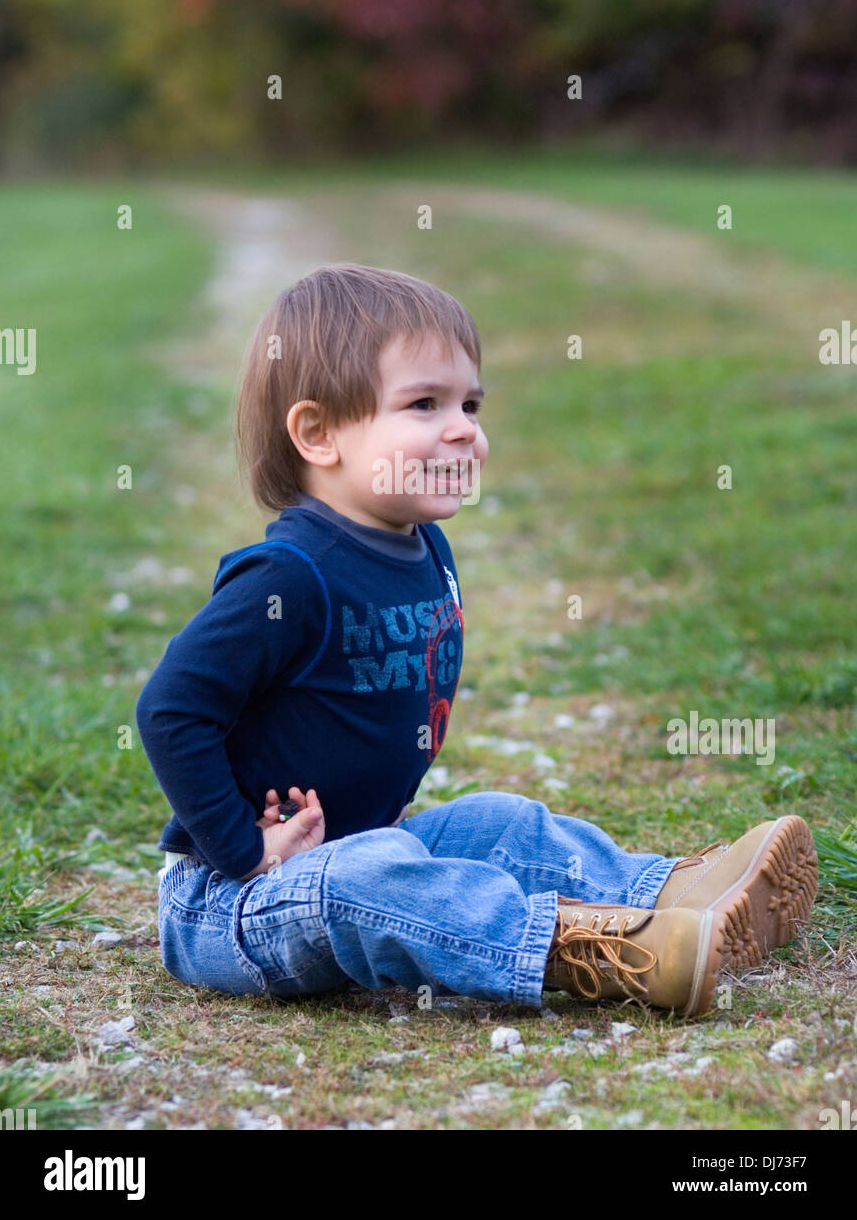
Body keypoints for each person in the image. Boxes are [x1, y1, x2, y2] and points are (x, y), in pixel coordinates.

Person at [136, 263, 818, 1018]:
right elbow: (170, 710)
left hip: (352, 847)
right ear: (318, 433)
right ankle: (601, 952)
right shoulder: (289, 578)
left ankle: (668, 894)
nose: (465, 428)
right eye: (424, 404)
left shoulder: (423, 546)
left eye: (469, 403)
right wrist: (242, 850)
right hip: (231, 905)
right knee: (373, 874)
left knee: (499, 821)